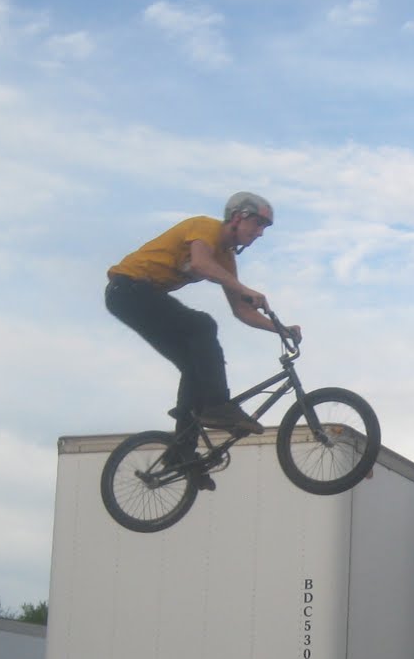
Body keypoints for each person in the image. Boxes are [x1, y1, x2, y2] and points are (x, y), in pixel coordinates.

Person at [104, 192, 299, 490]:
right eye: (258, 224)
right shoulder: (205, 228)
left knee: (195, 367)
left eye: (264, 228)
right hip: (128, 291)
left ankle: (180, 453)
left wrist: (280, 329)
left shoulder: (226, 259)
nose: (259, 233)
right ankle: (218, 405)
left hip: (139, 299)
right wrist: (242, 287)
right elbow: (199, 264)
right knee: (203, 326)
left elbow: (241, 311)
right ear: (238, 217)